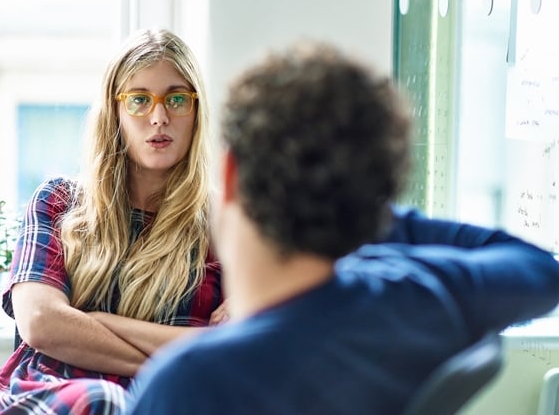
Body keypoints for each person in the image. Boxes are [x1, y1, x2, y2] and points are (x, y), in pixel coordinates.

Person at [125, 41, 559, 414]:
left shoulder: (189, 386)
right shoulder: (419, 301)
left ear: (232, 175)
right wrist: (357, 207)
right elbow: (540, 270)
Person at [0, 28, 225, 415]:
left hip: (166, 403)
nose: (159, 117)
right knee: (103, 400)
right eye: (140, 100)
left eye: (177, 99)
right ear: (115, 111)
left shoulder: (224, 224)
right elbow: (40, 322)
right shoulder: (57, 202)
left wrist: (95, 322)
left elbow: (227, 352)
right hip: (49, 395)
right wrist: (173, 358)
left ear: (197, 111)